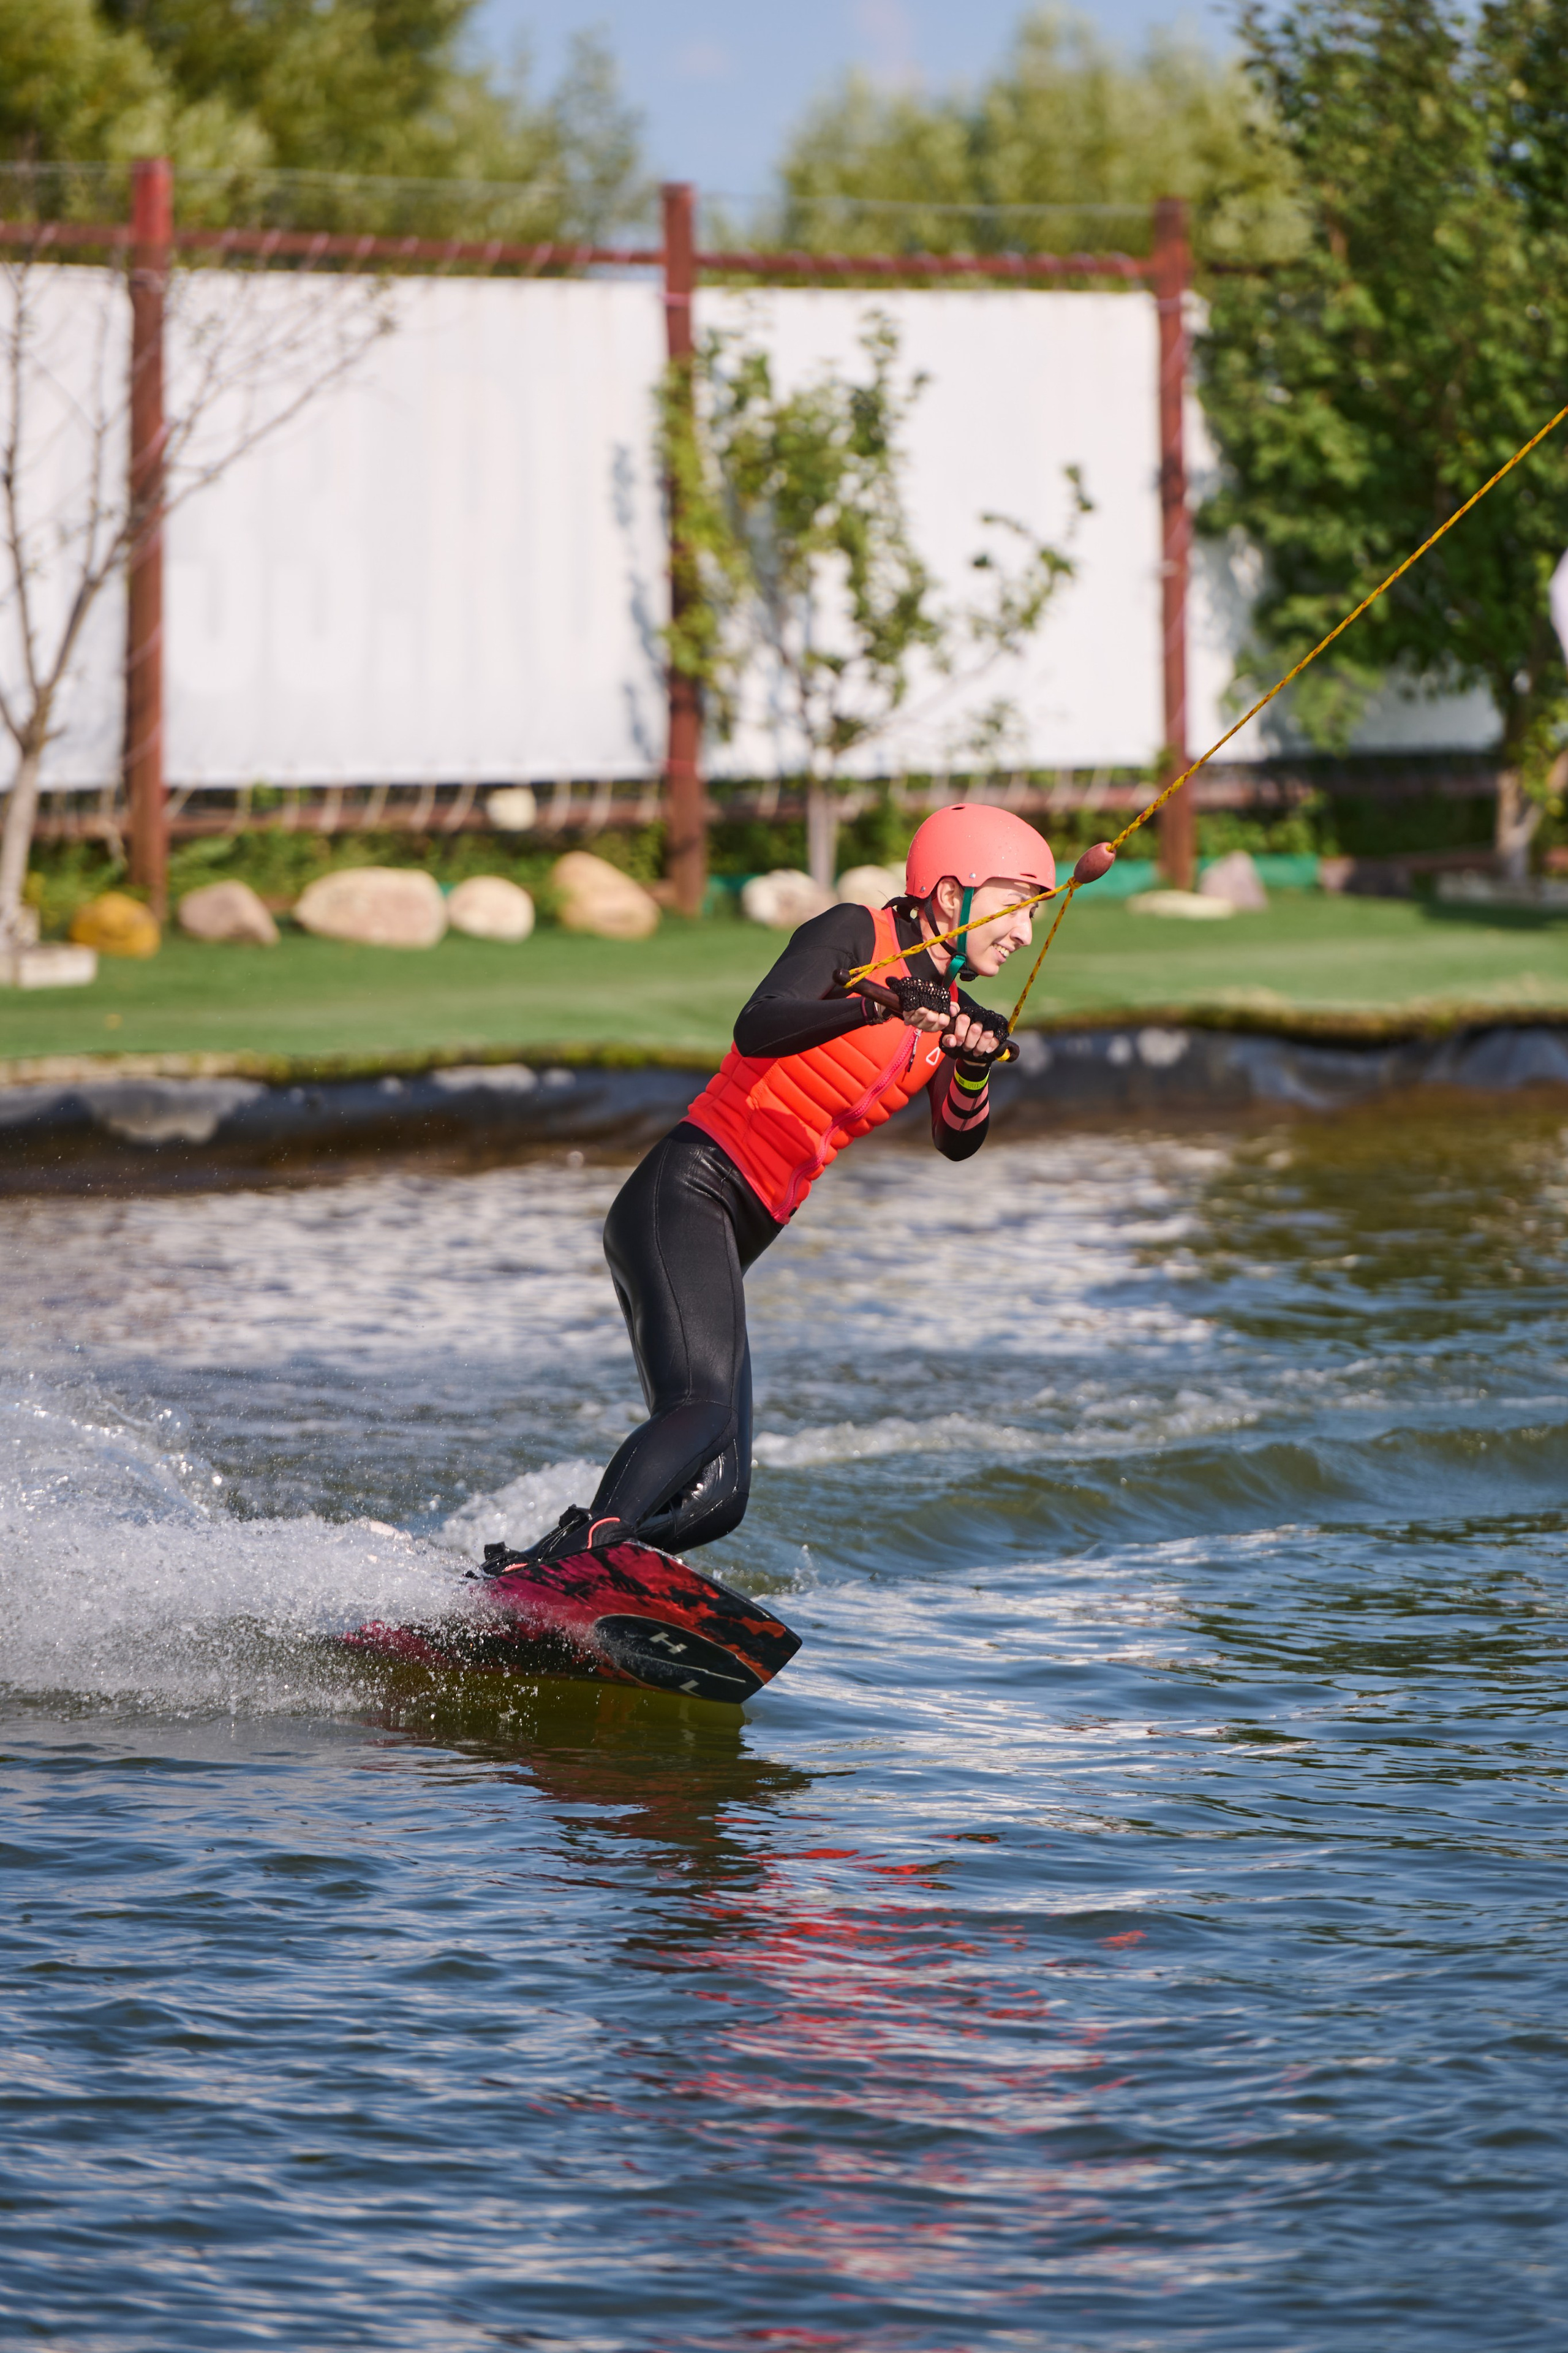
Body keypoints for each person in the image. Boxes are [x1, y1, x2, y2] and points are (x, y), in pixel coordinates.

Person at [490, 804, 1107, 1574]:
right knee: (701, 1412)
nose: (1023, 932)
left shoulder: (955, 1007)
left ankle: (561, 1573)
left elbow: (956, 1140)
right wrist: (876, 1001)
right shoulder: (855, 933)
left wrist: (973, 1062)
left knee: (721, 1498)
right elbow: (760, 1024)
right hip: (688, 1190)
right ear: (953, 895)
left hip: (740, 1226)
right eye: (1018, 903)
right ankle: (572, 1561)